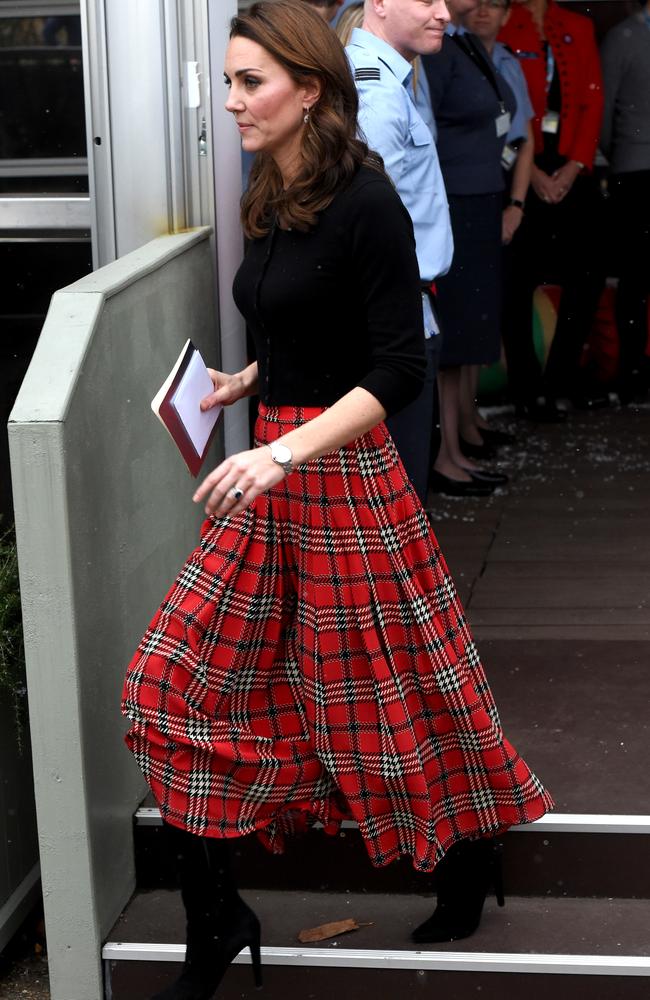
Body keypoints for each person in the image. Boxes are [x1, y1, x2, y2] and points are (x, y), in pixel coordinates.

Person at [122, 3, 553, 997]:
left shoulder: (366, 201)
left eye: (248, 83)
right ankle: (216, 916)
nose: (228, 101)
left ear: (307, 90)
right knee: (164, 683)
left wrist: (282, 451)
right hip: (275, 464)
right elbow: (302, 324)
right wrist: (245, 381)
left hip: (338, 476)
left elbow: (397, 366)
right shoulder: (273, 185)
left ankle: (467, 853)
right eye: (226, 81)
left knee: (392, 696)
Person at [345, 0, 454, 504]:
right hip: (391, 323)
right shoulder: (375, 95)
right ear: (380, 3)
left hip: (400, 310)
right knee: (398, 505)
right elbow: (360, 225)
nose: (446, 12)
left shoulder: (389, 80)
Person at [422, 0, 516, 492]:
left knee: (469, 329)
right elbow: (428, 126)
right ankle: (445, 455)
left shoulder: (460, 43)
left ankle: (458, 444)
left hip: (478, 196)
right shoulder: (438, 50)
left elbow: (504, 110)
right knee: (454, 331)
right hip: (455, 199)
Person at [499, 0, 606, 416]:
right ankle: (526, 387)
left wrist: (575, 164)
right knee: (517, 280)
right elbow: (509, 110)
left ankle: (561, 377)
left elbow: (592, 100)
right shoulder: (507, 23)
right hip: (524, 170)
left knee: (587, 276)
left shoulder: (577, 26)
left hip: (572, 168)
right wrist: (535, 176)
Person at [463, 0, 536, 411]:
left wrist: (516, 204)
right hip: (471, 190)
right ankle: (468, 416)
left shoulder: (509, 62)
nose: (484, 12)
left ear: (509, 15)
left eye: (495, 5)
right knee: (471, 304)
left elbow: (522, 140)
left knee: (501, 298)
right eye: (478, 3)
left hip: (503, 189)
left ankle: (488, 409)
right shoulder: (452, 57)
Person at [600, 0, 650, 404]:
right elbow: (604, 107)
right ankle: (632, 371)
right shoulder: (624, 38)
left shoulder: (624, 37)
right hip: (636, 170)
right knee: (635, 275)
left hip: (632, 166)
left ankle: (634, 371)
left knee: (636, 276)